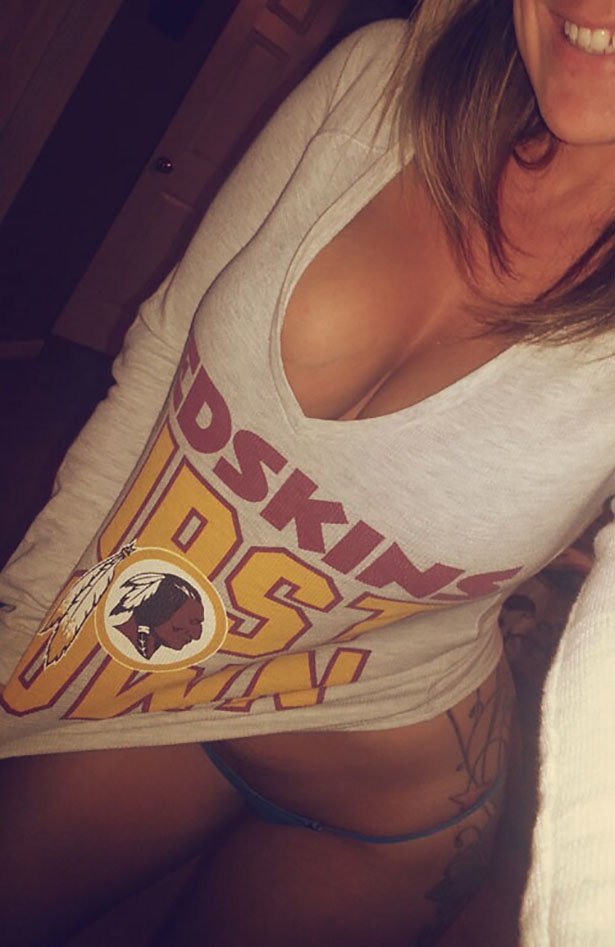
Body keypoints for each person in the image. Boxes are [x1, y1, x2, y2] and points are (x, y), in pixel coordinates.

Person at [0, 1, 613, 944]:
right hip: (162, 684)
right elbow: (164, 356)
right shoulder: (380, 78)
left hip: (387, 806)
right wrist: (24, 635)